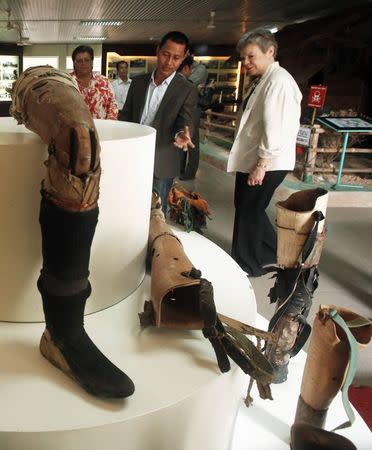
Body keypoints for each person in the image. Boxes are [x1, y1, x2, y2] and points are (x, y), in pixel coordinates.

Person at [227, 29, 302, 277]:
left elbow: (275, 127)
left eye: (250, 57)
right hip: (255, 160)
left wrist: (262, 164)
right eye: (243, 58)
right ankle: (273, 252)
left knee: (250, 209)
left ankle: (248, 264)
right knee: (247, 207)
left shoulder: (279, 81)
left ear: (270, 51)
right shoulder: (265, 78)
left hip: (267, 162)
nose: (246, 63)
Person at [119, 31, 198, 213]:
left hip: (162, 159)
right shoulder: (138, 82)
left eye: (176, 58)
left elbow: (185, 119)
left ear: (184, 57)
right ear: (158, 51)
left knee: (156, 211)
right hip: (132, 156)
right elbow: (126, 116)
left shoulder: (187, 89)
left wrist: (181, 135)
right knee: (129, 204)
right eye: (165, 55)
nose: (169, 63)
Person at [70, 45, 118, 120]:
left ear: (92, 62)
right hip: (74, 130)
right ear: (74, 64)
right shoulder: (66, 82)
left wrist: (109, 126)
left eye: (86, 60)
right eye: (79, 61)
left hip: (101, 129)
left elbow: (113, 107)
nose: (83, 63)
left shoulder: (104, 82)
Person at [177, 55, 200, 180]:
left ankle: (179, 169)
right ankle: (189, 173)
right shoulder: (189, 85)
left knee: (181, 143)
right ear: (185, 68)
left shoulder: (172, 81)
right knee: (192, 146)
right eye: (190, 69)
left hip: (180, 118)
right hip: (191, 117)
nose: (190, 72)